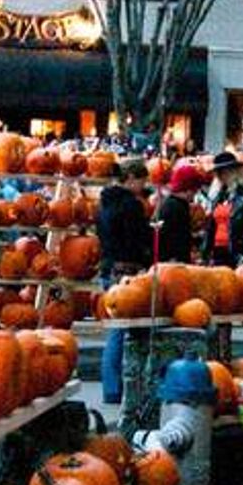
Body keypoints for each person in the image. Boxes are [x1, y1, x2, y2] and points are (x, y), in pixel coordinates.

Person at [96, 159, 155, 404]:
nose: (143, 186)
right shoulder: (131, 205)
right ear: (131, 179)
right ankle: (128, 385)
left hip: (108, 267)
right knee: (126, 331)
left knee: (115, 328)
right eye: (141, 181)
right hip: (128, 271)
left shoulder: (103, 204)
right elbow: (136, 240)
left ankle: (110, 385)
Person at [202, 152, 243, 266]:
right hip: (217, 251)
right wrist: (206, 251)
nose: (222, 175)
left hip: (235, 251)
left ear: (235, 171)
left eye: (226, 171)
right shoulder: (219, 195)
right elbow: (211, 226)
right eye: (219, 172)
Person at [154, 163, 202, 264]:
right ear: (189, 189)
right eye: (195, 190)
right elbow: (178, 239)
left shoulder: (168, 204)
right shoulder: (177, 208)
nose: (195, 194)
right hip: (174, 262)